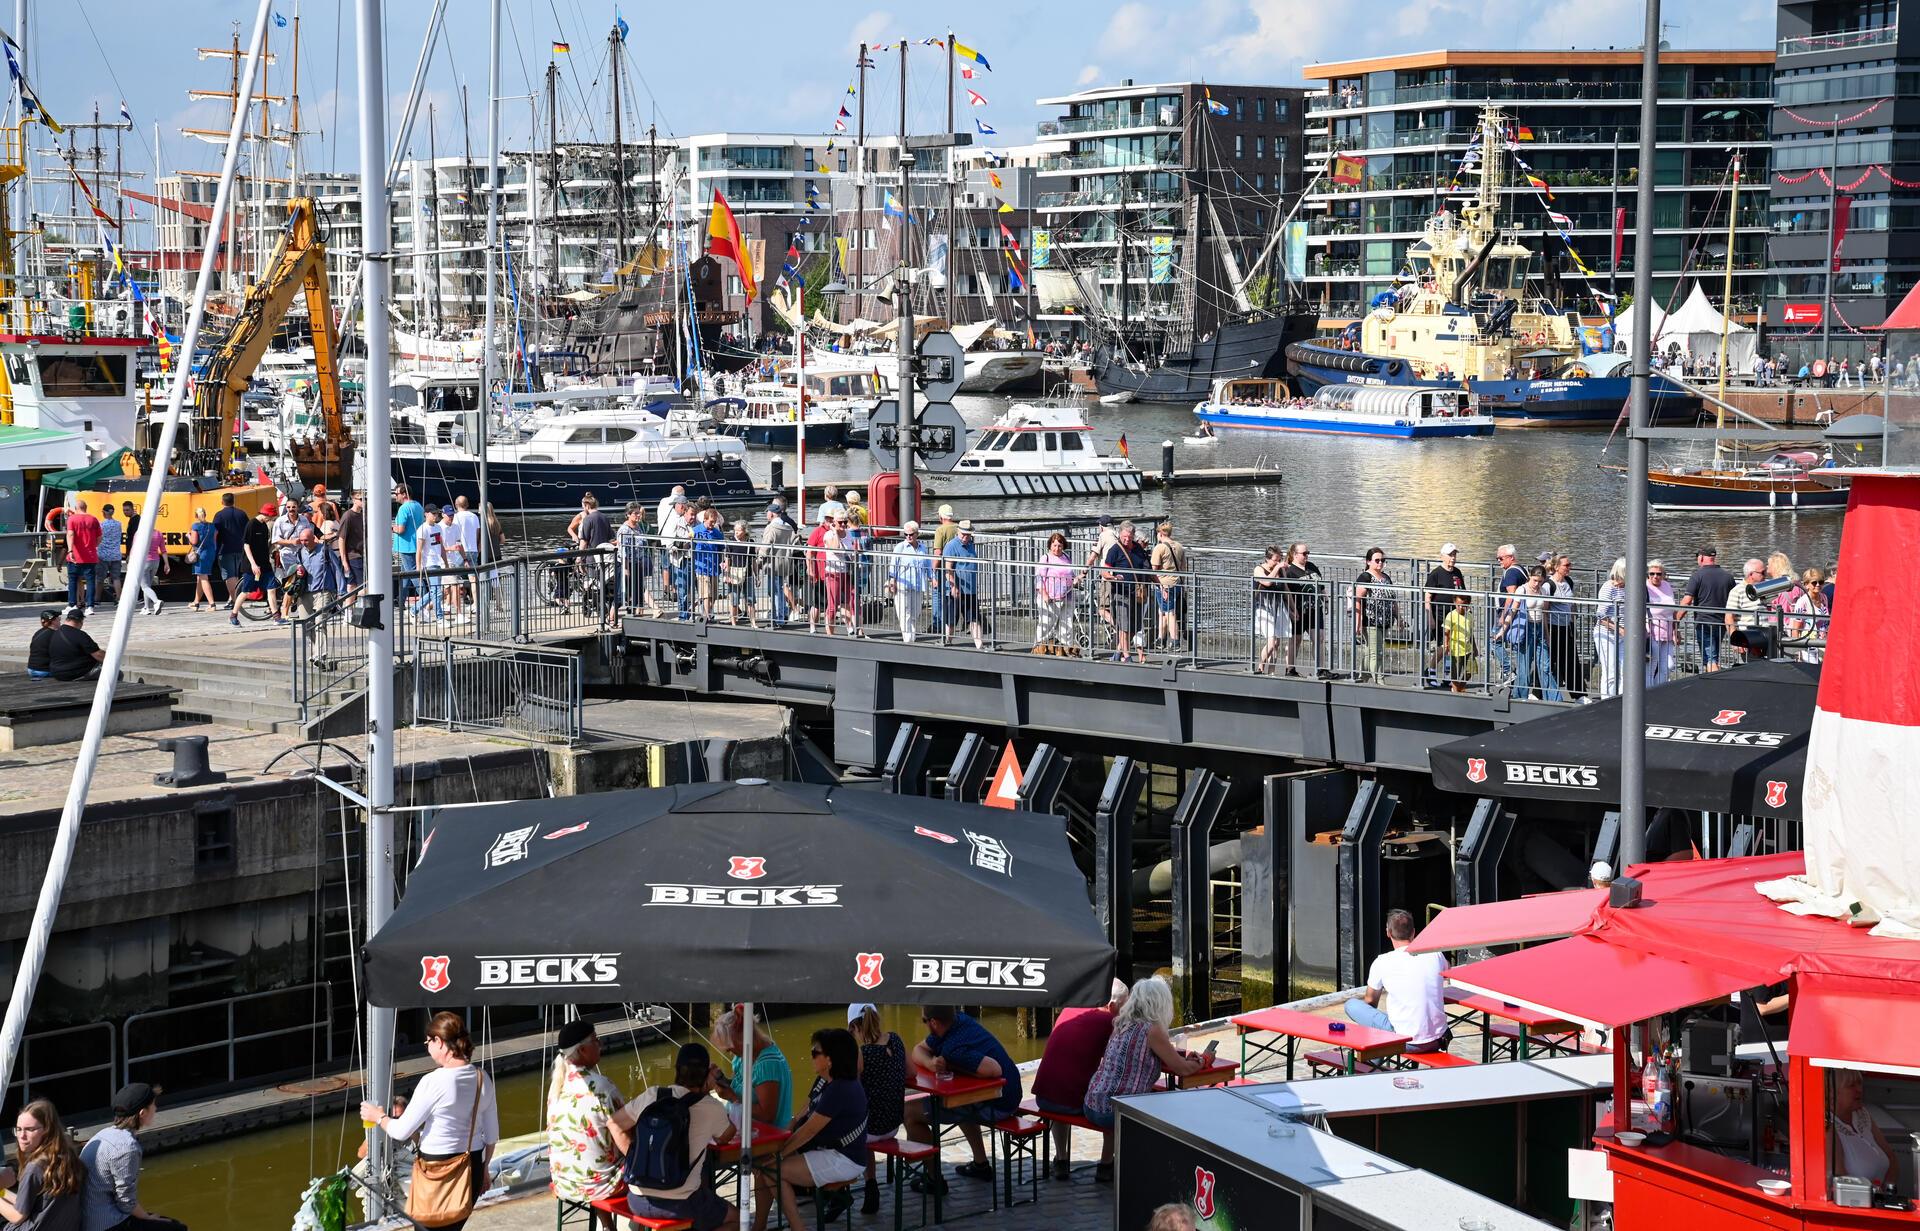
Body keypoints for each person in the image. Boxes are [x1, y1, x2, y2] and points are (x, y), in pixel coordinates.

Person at [359, 1012, 499, 1231]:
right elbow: (491, 1136)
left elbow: (401, 1130)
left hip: (436, 1171)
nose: (427, 1047)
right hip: (471, 1167)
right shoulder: (483, 1078)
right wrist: (484, 1170)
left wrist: (377, 1116)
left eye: (428, 1042)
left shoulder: (433, 1081)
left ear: (440, 1042)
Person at [1082, 977, 1205, 1182]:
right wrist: (1200, 1063)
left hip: (1093, 1102)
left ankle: (1105, 1166)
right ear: (1159, 1003)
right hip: (1113, 1110)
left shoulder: (1121, 1023)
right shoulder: (1152, 1030)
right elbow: (1181, 1068)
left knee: (1121, 1096)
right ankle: (1158, 1168)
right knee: (1170, 1107)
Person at [612, 1043, 736, 1231]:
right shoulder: (711, 1106)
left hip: (637, 1198)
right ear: (705, 1074)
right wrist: (709, 1090)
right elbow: (726, 1136)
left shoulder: (653, 1095)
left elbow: (614, 1123)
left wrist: (634, 1153)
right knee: (739, 1220)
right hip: (681, 1204)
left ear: (677, 1070)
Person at [758, 1029, 867, 1231]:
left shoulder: (839, 1090)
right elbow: (802, 1115)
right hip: (829, 1150)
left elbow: (809, 1131)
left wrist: (781, 1154)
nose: (811, 1056)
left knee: (772, 1170)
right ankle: (759, 1226)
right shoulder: (826, 1082)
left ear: (830, 1060)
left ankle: (798, 1227)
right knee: (763, 1167)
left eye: (815, 1053)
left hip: (844, 1159)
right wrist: (785, 1132)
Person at [907, 1007, 1022, 1185]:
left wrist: (954, 1065)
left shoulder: (954, 1049)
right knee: (960, 1100)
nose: (924, 1024)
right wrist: (931, 1063)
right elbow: (918, 1050)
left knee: (909, 1112)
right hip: (1010, 1093)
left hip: (999, 1103)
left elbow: (994, 1069)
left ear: (934, 1023)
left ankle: (933, 1179)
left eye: (924, 1021)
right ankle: (981, 1164)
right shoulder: (958, 1020)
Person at [1031, 980, 1128, 1179]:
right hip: (1071, 1102)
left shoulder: (1071, 1008)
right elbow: (1118, 1061)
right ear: (1111, 1005)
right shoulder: (1109, 1021)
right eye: (1123, 1007)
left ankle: (1061, 1159)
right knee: (1110, 1104)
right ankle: (1106, 1164)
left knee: (1061, 1091)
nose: (1124, 1012)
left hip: (1044, 1096)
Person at [545, 1020, 626, 1226]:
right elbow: (626, 1128)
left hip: (564, 1182)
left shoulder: (557, 1087)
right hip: (599, 1185)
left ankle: (608, 1226)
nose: (600, 1044)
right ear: (581, 1050)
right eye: (596, 1040)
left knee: (596, 1153)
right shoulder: (602, 1087)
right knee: (646, 1166)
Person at [79, 1082, 183, 1231]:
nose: (156, 1108)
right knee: (177, 1228)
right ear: (142, 1113)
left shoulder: (103, 1134)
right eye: (153, 1105)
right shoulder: (127, 1148)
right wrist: (148, 1217)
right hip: (107, 1224)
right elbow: (126, 1202)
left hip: (89, 1217)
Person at [1345, 909, 1450, 1053]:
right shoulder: (1435, 954)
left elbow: (1370, 1002)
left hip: (1406, 1041)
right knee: (1381, 1025)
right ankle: (1372, 1064)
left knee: (1352, 1005)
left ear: (1388, 933)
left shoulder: (1382, 961)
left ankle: (1370, 1067)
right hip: (1439, 1039)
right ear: (1414, 932)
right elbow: (1447, 973)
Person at [847, 1005, 905, 1213]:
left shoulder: (860, 1054)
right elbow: (912, 1072)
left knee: (848, 1126)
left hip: (870, 1130)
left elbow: (848, 1090)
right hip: (893, 1124)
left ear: (854, 1027)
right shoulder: (896, 1040)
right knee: (865, 1122)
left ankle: (849, 1189)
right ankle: (870, 1184)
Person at [2, 1096, 82, 1231]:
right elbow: (26, 1203)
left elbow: (18, 1215)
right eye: (19, 1129)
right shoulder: (66, 1157)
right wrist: (2, 1192)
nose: (22, 1136)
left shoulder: (35, 1168)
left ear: (47, 1129)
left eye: (29, 1129)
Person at [710, 1008, 794, 1132]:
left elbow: (767, 1116)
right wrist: (721, 1079)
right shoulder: (743, 1055)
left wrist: (732, 1098)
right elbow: (743, 1086)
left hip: (766, 1136)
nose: (729, 1051)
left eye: (730, 1046)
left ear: (743, 1038)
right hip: (742, 1126)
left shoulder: (767, 1064)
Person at [1830, 1069, 1896, 1187]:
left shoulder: (1862, 1114)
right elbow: (1840, 1179)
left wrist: (1888, 1192)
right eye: (1851, 1085)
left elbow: (1891, 1157)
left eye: (1859, 1083)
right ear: (1833, 1092)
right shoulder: (1829, 1125)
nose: (1859, 1090)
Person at [1680, 547, 1735, 672]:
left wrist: (1676, 620)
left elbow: (1687, 601)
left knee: (1711, 658)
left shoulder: (1697, 576)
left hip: (1704, 622)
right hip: (1722, 622)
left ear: (1701, 557)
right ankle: (1708, 682)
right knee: (1712, 656)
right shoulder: (1728, 576)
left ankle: (1716, 687)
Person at [1103, 521, 1151, 664]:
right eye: (1124, 537)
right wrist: (1112, 577)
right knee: (1123, 627)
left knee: (1134, 626)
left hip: (1136, 593)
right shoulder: (1115, 549)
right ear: (1120, 535)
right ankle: (1127, 656)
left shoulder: (1138, 549)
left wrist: (1160, 585)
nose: (1126, 540)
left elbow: (1148, 568)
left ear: (1133, 536)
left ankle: (1118, 652)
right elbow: (1104, 571)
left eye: (1129, 537)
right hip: (1120, 593)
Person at [1423, 544, 1467, 687]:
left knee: (1452, 646)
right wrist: (1430, 618)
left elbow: (1462, 594)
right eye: (1450, 555)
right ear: (1442, 556)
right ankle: (1431, 671)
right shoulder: (1436, 574)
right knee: (1443, 645)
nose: (1453, 558)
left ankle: (1447, 676)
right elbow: (1427, 597)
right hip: (1440, 615)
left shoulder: (1457, 572)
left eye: (1454, 555)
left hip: (1455, 616)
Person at [229, 503, 278, 626]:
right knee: (246, 591)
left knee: (271, 588)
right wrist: (253, 564)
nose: (271, 519)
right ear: (265, 514)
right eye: (270, 516)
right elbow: (246, 545)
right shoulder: (251, 524)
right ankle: (233, 614)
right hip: (252, 565)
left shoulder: (264, 526)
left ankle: (276, 616)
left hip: (264, 563)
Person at [1353, 548, 1395, 682]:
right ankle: (1379, 680)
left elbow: (1393, 599)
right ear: (1368, 561)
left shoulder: (1386, 577)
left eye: (1382, 560)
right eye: (1377, 560)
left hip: (1385, 621)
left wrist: (1398, 618)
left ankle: (1363, 676)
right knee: (1376, 653)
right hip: (1371, 621)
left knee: (1369, 651)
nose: (1380, 563)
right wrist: (1358, 623)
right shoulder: (1365, 577)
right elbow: (1358, 600)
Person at [887, 521, 932, 643]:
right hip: (903, 583)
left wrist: (932, 578)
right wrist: (892, 581)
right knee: (904, 612)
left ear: (917, 534)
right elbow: (893, 565)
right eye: (906, 534)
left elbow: (927, 564)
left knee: (915, 612)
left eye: (911, 534)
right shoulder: (900, 547)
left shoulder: (922, 547)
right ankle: (908, 639)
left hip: (917, 584)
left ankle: (911, 636)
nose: (908, 537)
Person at [942, 520, 985, 650]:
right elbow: (948, 569)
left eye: (968, 534)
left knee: (974, 618)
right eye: (963, 534)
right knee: (951, 619)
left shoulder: (971, 544)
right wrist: (953, 586)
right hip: (955, 590)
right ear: (958, 532)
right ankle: (947, 641)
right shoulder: (951, 546)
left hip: (970, 589)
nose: (965, 537)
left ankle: (980, 645)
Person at [1281, 542, 1321, 676]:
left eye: (1308, 553)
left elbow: (1321, 585)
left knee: (1319, 638)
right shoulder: (1289, 571)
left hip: (1315, 609)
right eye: (1304, 554)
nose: (1307, 556)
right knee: (1296, 639)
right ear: (1294, 555)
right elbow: (1286, 593)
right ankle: (1290, 669)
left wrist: (1326, 600)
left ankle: (1320, 669)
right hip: (1298, 610)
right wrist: (1291, 610)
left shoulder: (1311, 566)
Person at [1034, 531, 1076, 653]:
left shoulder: (1066, 557)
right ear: (1050, 546)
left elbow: (1071, 574)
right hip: (1050, 597)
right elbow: (1039, 578)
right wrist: (1044, 594)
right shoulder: (1045, 558)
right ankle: (1039, 648)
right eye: (1054, 545)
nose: (1057, 548)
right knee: (1046, 623)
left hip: (1066, 595)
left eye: (1059, 546)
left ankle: (1065, 649)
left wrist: (1076, 580)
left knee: (1067, 624)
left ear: (1063, 546)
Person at [1149, 522, 1188, 651]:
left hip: (1163, 584)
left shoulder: (1159, 548)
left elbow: (1153, 568)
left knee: (1170, 613)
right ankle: (1161, 639)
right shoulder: (1179, 546)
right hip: (1177, 583)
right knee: (1163, 612)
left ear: (1160, 534)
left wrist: (1159, 585)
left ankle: (1175, 641)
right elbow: (1183, 567)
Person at [1593, 558, 1628, 698]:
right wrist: (1619, 628)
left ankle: (1621, 700)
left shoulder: (1629, 587)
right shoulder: (1609, 587)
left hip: (1623, 635)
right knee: (1610, 670)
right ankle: (1607, 700)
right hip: (1606, 634)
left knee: (1625, 670)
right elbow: (1600, 616)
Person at [757, 505, 797, 626]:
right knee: (778, 589)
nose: (766, 515)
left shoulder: (771, 528)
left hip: (772, 564)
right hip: (785, 563)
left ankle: (778, 618)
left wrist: (759, 561)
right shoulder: (788, 527)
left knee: (774, 591)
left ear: (772, 514)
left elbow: (765, 547)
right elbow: (796, 543)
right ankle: (780, 614)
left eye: (767, 513)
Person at [1252, 547, 1289, 675]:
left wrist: (1293, 608)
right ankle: (1260, 666)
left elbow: (1286, 590)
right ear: (1267, 559)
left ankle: (1271, 671)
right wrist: (1278, 568)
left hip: (1277, 607)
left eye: (1280, 559)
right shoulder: (1259, 569)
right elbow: (1267, 582)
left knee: (1277, 643)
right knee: (1271, 642)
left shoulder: (1281, 571)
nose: (1278, 562)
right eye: (1275, 560)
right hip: (1263, 607)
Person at [411, 505, 449, 622]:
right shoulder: (423, 529)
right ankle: (440, 617)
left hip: (438, 562)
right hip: (429, 563)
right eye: (433, 514)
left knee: (435, 591)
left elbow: (441, 546)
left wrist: (446, 562)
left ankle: (414, 609)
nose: (435, 516)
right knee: (436, 591)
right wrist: (418, 566)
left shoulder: (438, 528)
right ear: (426, 514)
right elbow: (419, 549)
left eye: (436, 514)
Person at [616, 503, 654, 616]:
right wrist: (626, 567)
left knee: (639, 588)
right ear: (628, 514)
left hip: (638, 562)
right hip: (628, 564)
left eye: (639, 513)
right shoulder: (624, 529)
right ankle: (612, 616)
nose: (638, 516)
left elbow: (642, 543)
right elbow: (623, 550)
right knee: (624, 591)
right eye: (635, 513)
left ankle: (638, 612)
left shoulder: (638, 527)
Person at [1433, 593, 1476, 693]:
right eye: (1459, 605)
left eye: (1464, 605)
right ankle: (1456, 691)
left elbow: (1471, 633)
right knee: (1455, 673)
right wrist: (1446, 645)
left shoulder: (1469, 616)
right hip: (1455, 649)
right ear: (1454, 603)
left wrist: (1475, 647)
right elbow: (1446, 632)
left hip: (1467, 649)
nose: (1461, 607)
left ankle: (1460, 686)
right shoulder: (1451, 615)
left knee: (1471, 669)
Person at [64, 500, 101, 614]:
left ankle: (72, 604)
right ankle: (90, 607)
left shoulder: (72, 519)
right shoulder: (93, 519)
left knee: (73, 580)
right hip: (90, 556)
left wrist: (70, 550)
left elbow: (70, 534)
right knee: (90, 581)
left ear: (76, 508)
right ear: (86, 507)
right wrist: (93, 546)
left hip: (76, 555)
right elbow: (100, 537)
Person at [210, 493, 248, 605]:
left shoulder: (219, 515)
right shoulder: (242, 514)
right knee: (236, 574)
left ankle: (236, 600)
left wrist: (213, 547)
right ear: (233, 501)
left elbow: (215, 533)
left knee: (229, 575)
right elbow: (247, 530)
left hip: (225, 548)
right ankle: (231, 599)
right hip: (240, 548)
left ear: (222, 502)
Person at [48, 610, 104, 683]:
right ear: (80, 621)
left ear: (67, 619)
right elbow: (98, 655)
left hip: (57, 672)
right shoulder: (80, 634)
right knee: (117, 673)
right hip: (74, 673)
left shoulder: (55, 633)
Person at [692, 508, 726, 624]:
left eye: (715, 521)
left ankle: (709, 611)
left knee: (715, 594)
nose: (713, 524)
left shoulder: (717, 533)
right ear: (705, 519)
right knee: (706, 593)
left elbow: (722, 548)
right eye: (711, 521)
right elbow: (688, 543)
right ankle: (708, 616)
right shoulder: (696, 530)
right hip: (701, 567)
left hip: (714, 567)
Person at [1646, 560, 1677, 686]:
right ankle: (1648, 691)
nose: (1655, 577)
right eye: (1652, 573)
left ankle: (1659, 690)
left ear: (1663, 575)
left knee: (1668, 665)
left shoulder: (1666, 585)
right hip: (1652, 632)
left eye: (1659, 574)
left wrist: (1676, 631)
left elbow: (1674, 610)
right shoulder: (1645, 587)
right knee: (1652, 664)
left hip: (1668, 631)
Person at [391, 484, 425, 599]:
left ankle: (426, 599)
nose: (395, 496)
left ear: (404, 494)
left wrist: (391, 528)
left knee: (413, 574)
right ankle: (400, 600)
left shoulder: (403, 508)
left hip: (406, 546)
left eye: (396, 494)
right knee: (405, 575)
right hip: (417, 544)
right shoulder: (419, 506)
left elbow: (400, 529)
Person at [724, 519, 758, 626]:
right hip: (734, 574)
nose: (736, 533)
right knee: (734, 600)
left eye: (739, 531)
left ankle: (753, 622)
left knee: (750, 600)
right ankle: (733, 621)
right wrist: (727, 575)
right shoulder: (731, 542)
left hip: (748, 574)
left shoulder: (750, 543)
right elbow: (727, 560)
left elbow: (753, 561)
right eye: (735, 531)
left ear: (745, 531)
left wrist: (757, 576)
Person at [184, 509, 218, 611]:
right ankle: (196, 602)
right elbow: (214, 539)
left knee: (203, 578)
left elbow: (194, 541)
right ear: (205, 514)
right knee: (200, 578)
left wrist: (188, 535)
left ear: (196, 516)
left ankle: (212, 604)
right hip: (210, 553)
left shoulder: (196, 526)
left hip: (200, 555)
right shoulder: (212, 526)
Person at [134, 522, 167, 617]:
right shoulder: (158, 533)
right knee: (148, 586)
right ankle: (146, 608)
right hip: (155, 561)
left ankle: (156, 601)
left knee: (144, 586)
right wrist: (167, 564)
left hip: (144, 562)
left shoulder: (139, 533)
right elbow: (163, 550)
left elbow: (135, 549)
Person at [336, 491, 367, 591]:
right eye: (361, 499)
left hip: (362, 554)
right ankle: (363, 606)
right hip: (353, 556)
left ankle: (349, 607)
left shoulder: (363, 515)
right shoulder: (348, 516)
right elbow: (341, 539)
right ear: (354, 500)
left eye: (365, 499)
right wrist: (344, 561)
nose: (364, 501)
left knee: (352, 585)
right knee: (363, 585)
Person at [95, 506, 124, 607]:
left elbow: (97, 537)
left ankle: (97, 599)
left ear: (104, 512)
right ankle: (119, 599)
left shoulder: (101, 524)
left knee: (100, 578)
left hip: (102, 554)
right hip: (116, 554)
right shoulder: (118, 524)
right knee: (116, 578)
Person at [26, 609, 59, 680]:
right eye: (58, 619)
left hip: (31, 669)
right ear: (53, 621)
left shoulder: (38, 632)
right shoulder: (55, 635)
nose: (59, 621)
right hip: (43, 671)